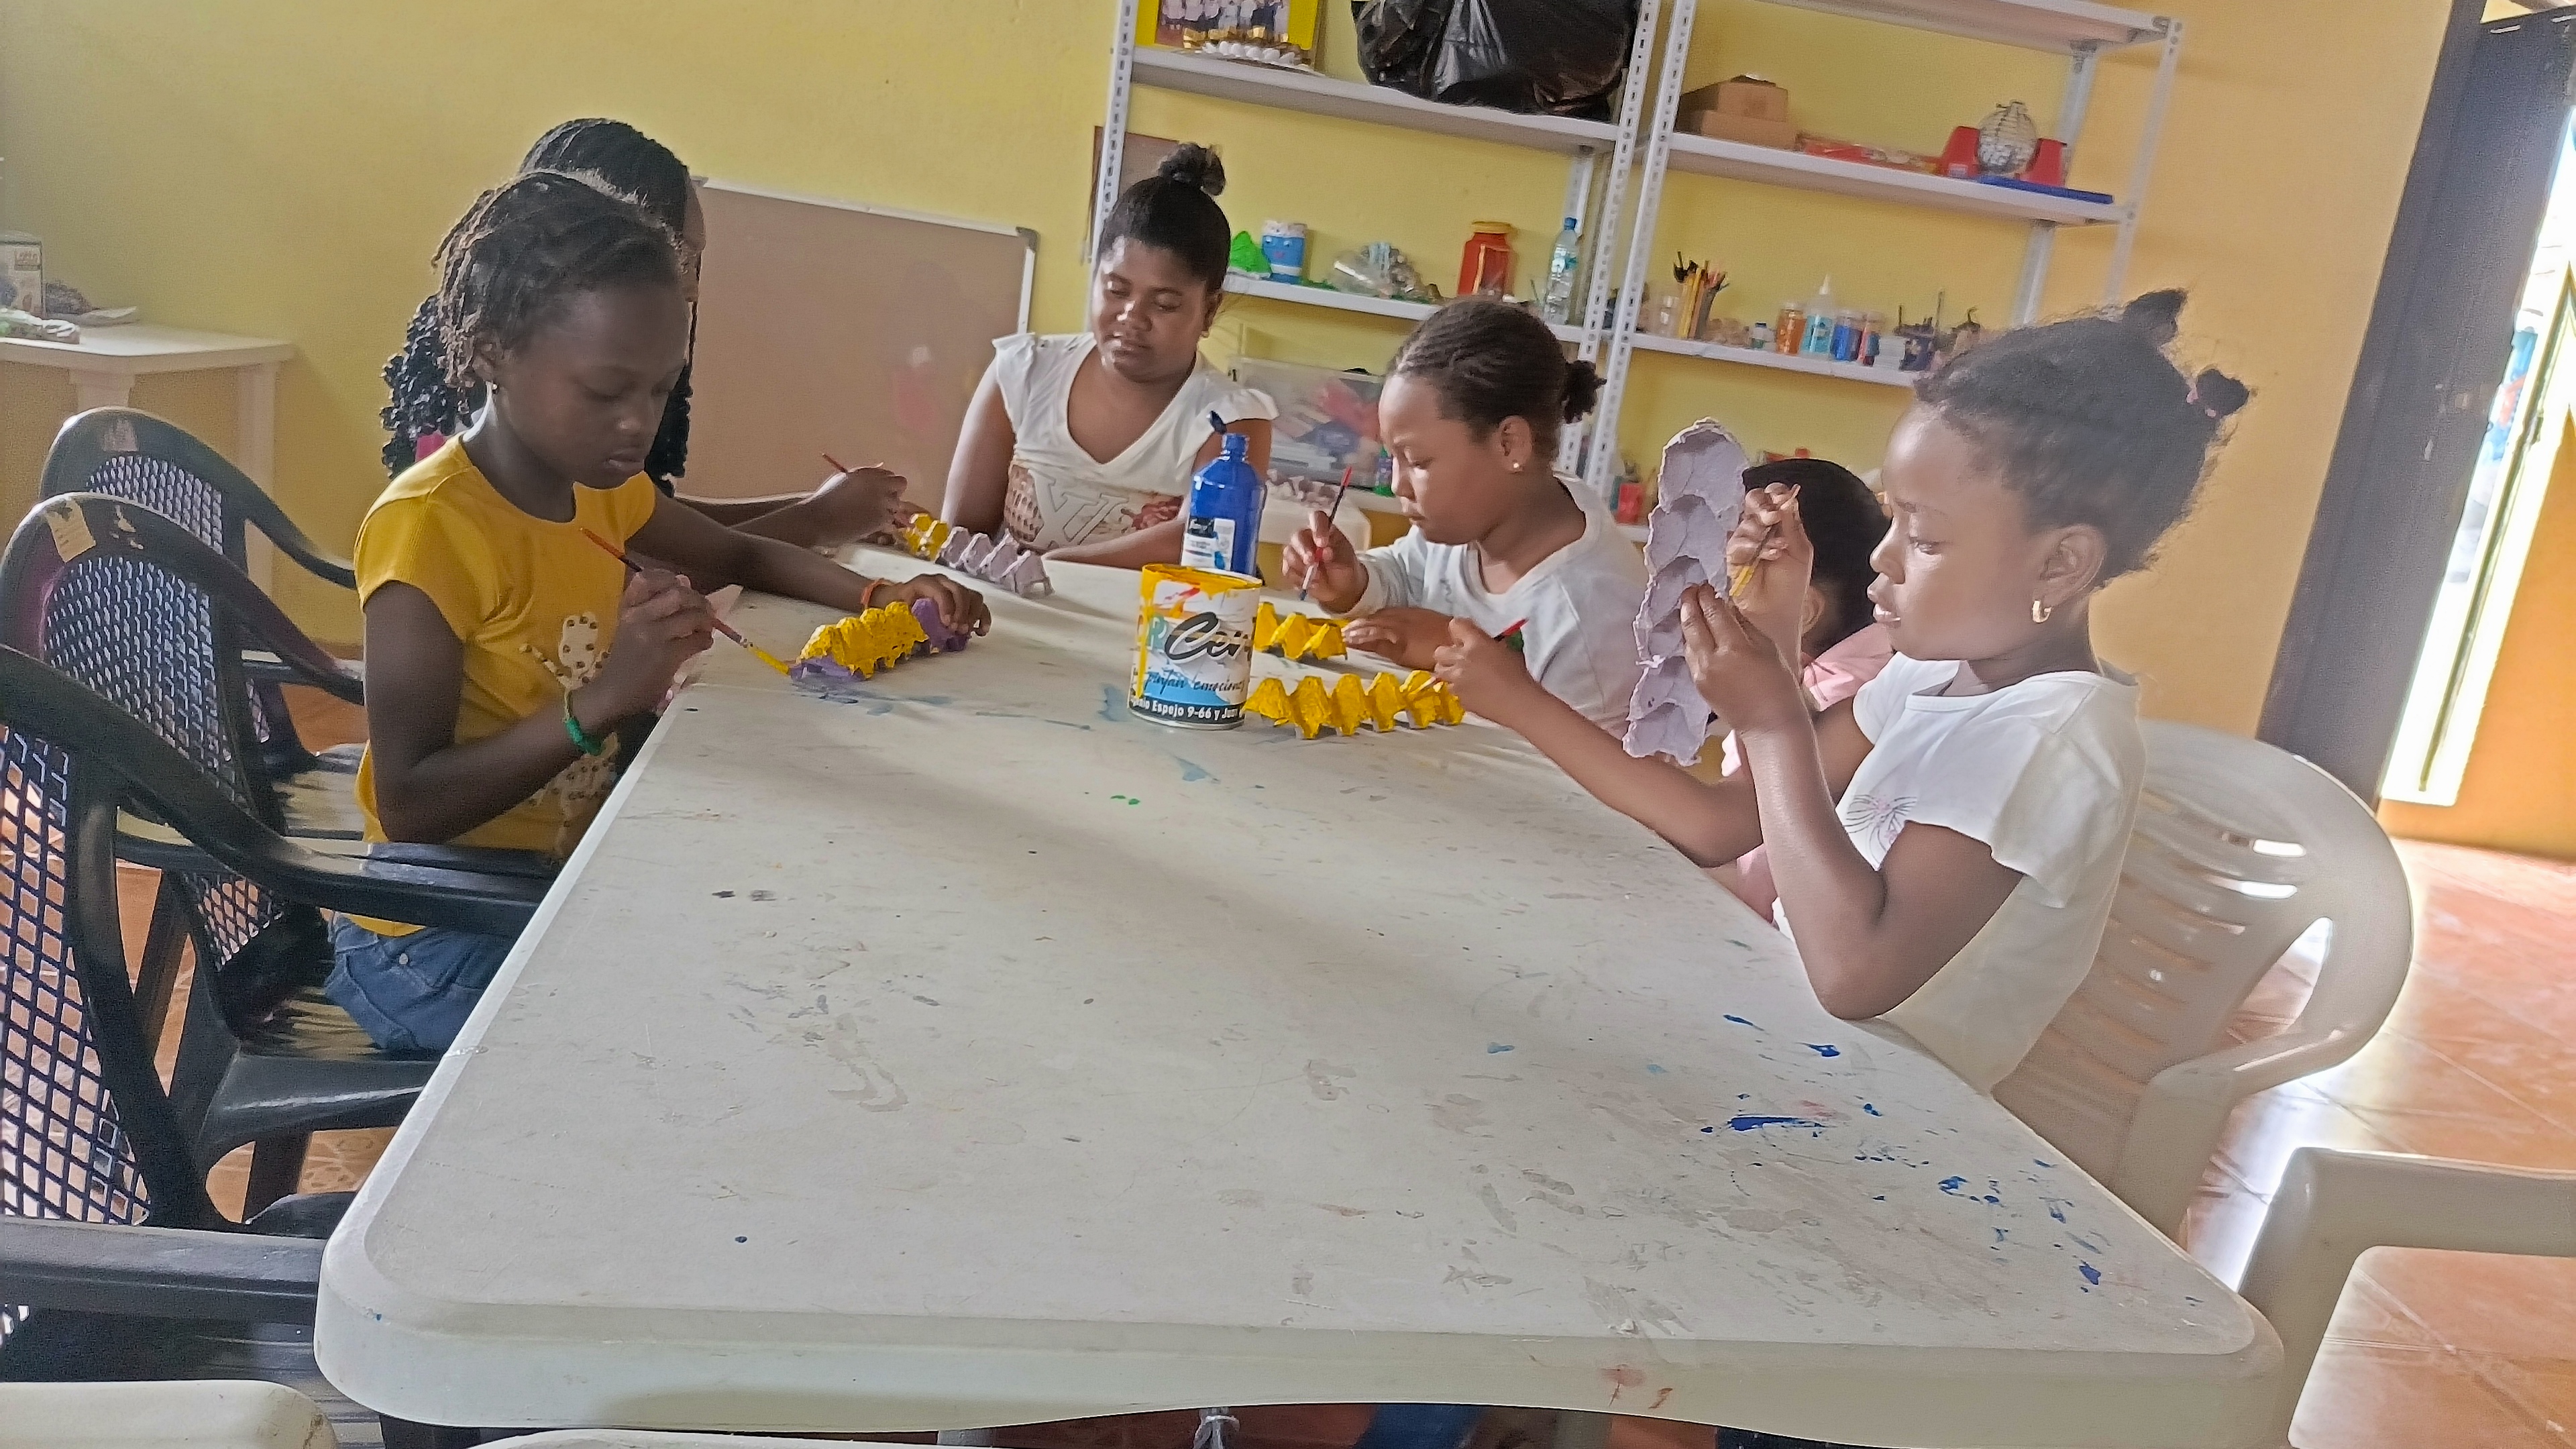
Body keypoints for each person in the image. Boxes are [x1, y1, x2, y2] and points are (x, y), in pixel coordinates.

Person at [1437, 290, 2247, 1097]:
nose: (1881, 560)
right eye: (1892, 521)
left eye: (1924, 538)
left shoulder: (2046, 740)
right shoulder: (1929, 675)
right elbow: (1721, 824)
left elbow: (1855, 974)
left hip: (1882, 1108)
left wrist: (1774, 726)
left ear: (2061, 564)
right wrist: (1770, 626)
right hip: (1784, 1040)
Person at [333, 171, 987, 1055]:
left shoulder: (595, 487)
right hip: (429, 934)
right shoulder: (431, 530)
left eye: (659, 390)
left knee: (773, 957)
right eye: (607, 392)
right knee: (693, 1039)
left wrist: (884, 598)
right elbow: (411, 805)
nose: (637, 424)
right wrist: (605, 700)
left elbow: (744, 555)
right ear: (491, 353)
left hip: (546, 880)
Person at [380, 118, 906, 559]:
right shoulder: (507, 416)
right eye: (680, 258)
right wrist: (815, 521)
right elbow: (627, 571)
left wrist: (820, 507)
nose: (693, 288)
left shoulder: (541, 377)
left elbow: (649, 520)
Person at [1281, 297, 1643, 728]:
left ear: (1509, 444)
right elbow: (1407, 574)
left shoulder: (1591, 617)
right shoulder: (1468, 524)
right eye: (1391, 458)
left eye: (1417, 461)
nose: (1397, 485)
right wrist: (1353, 582)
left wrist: (1447, 648)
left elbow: (1587, 763)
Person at [941, 143, 1275, 567]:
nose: (1132, 316)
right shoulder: (1022, 373)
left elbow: (1201, 539)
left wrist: (1054, 567)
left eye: (1165, 304)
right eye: (1116, 290)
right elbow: (962, 534)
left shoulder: (1230, 418)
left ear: (1208, 311)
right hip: (1008, 605)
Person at [1709, 457, 1894, 920]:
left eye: (1720, 581)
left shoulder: (1841, 697)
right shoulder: (1854, 663)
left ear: (1805, 611)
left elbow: (1751, 871)